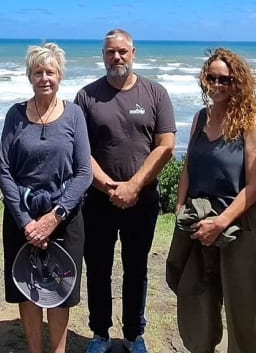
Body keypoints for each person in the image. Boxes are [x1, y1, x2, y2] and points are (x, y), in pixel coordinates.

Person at [74, 29, 175, 353]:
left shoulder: (155, 93)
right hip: (98, 201)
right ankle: (100, 333)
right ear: (103, 55)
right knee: (98, 268)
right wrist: (107, 186)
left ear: (133, 53)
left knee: (136, 268)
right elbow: (80, 150)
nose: (116, 57)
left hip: (142, 200)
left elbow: (166, 146)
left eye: (122, 51)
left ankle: (134, 334)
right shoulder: (87, 96)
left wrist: (133, 186)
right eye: (109, 52)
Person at [164, 48, 256, 353]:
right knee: (197, 301)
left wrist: (220, 222)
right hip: (198, 223)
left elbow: (254, 187)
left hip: (238, 226)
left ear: (238, 82)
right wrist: (181, 206)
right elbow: (188, 168)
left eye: (226, 79)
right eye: (212, 78)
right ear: (204, 80)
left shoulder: (252, 123)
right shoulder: (200, 118)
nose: (218, 84)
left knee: (242, 310)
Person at [0, 42, 92, 353]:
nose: (44, 78)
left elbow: (84, 173)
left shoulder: (75, 114)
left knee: (59, 288)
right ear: (29, 76)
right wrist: (27, 223)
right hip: (21, 219)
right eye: (38, 72)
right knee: (27, 288)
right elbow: (4, 171)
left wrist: (54, 217)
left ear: (60, 75)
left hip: (64, 218)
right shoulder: (15, 115)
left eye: (50, 72)